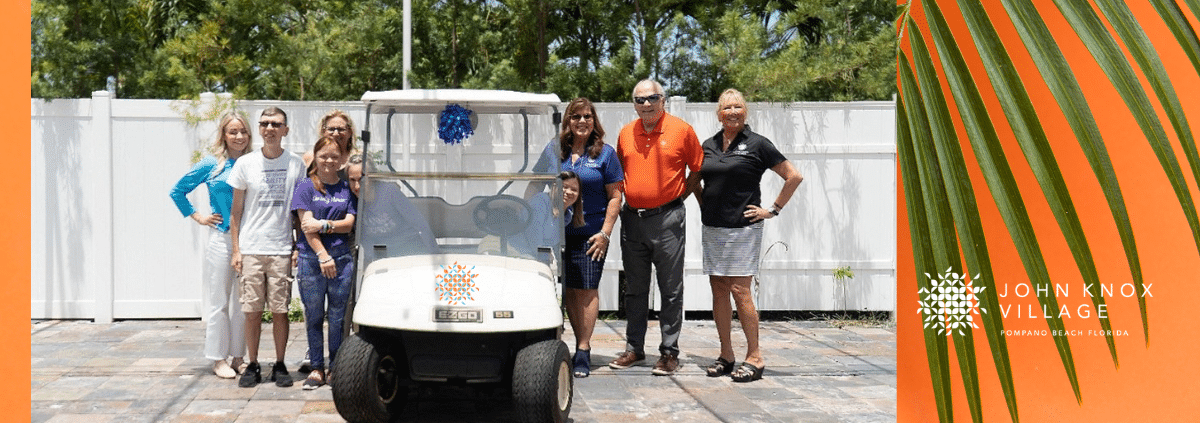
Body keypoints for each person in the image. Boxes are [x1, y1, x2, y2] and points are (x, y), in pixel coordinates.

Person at [698, 88, 802, 383]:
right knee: (718, 289)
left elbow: (793, 176)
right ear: (718, 114)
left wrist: (773, 210)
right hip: (713, 228)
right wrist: (703, 203)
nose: (732, 111)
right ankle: (726, 355)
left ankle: (755, 357)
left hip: (744, 229)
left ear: (745, 112)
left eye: (738, 107)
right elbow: (695, 180)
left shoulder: (757, 144)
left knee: (740, 291)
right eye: (727, 107)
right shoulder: (708, 145)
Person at [609, 80, 703, 376]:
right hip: (632, 220)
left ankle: (668, 353)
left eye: (652, 98)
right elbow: (618, 174)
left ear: (663, 100)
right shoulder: (626, 134)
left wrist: (677, 198)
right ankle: (634, 348)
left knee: (670, 288)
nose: (646, 104)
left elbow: (697, 169)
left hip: (668, 220)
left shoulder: (681, 130)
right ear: (634, 104)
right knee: (635, 289)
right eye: (640, 100)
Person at [532, 98, 623, 378]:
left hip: (591, 234)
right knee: (569, 290)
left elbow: (616, 196)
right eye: (576, 116)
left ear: (594, 121)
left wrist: (605, 234)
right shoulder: (554, 150)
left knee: (587, 288)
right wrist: (532, 221)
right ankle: (573, 344)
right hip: (557, 233)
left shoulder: (605, 154)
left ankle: (583, 349)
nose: (582, 121)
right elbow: (535, 184)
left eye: (587, 116)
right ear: (567, 121)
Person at [169, 112, 254, 379]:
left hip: (251, 240)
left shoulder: (254, 163)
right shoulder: (211, 164)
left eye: (243, 131)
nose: (239, 136)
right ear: (224, 135)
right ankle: (218, 359)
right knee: (219, 303)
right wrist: (198, 216)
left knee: (244, 304)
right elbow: (177, 191)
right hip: (222, 240)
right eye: (233, 132)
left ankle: (239, 357)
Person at [227, 107, 307, 388]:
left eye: (276, 124)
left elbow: (299, 210)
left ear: (285, 129)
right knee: (251, 310)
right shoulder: (245, 164)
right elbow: (235, 212)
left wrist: (299, 245)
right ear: (259, 129)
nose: (269, 128)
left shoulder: (296, 164)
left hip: (281, 248)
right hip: (251, 248)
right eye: (264, 123)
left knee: (280, 310)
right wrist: (236, 250)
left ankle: (281, 363)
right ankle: (253, 363)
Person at [292, 136, 358, 389]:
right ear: (315, 158)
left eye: (334, 156)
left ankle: (337, 368)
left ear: (342, 160)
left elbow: (349, 224)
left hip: (342, 260)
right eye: (323, 156)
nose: (329, 160)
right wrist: (323, 255)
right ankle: (317, 368)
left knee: (339, 317)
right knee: (315, 316)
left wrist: (325, 225)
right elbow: (306, 226)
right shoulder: (305, 187)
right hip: (313, 261)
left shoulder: (345, 189)